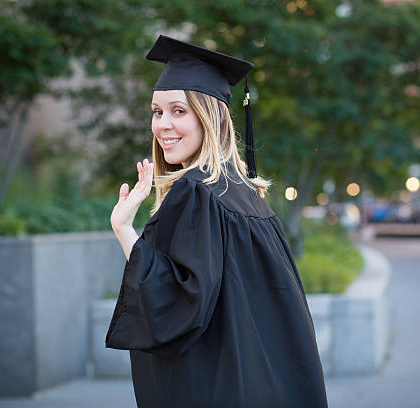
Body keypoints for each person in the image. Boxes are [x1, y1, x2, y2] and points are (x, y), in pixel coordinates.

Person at [106, 35, 328, 408]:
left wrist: (124, 230)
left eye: (179, 111)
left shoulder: (196, 193)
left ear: (212, 117)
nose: (163, 125)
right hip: (269, 383)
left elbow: (179, 304)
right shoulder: (243, 192)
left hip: (216, 386)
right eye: (157, 111)